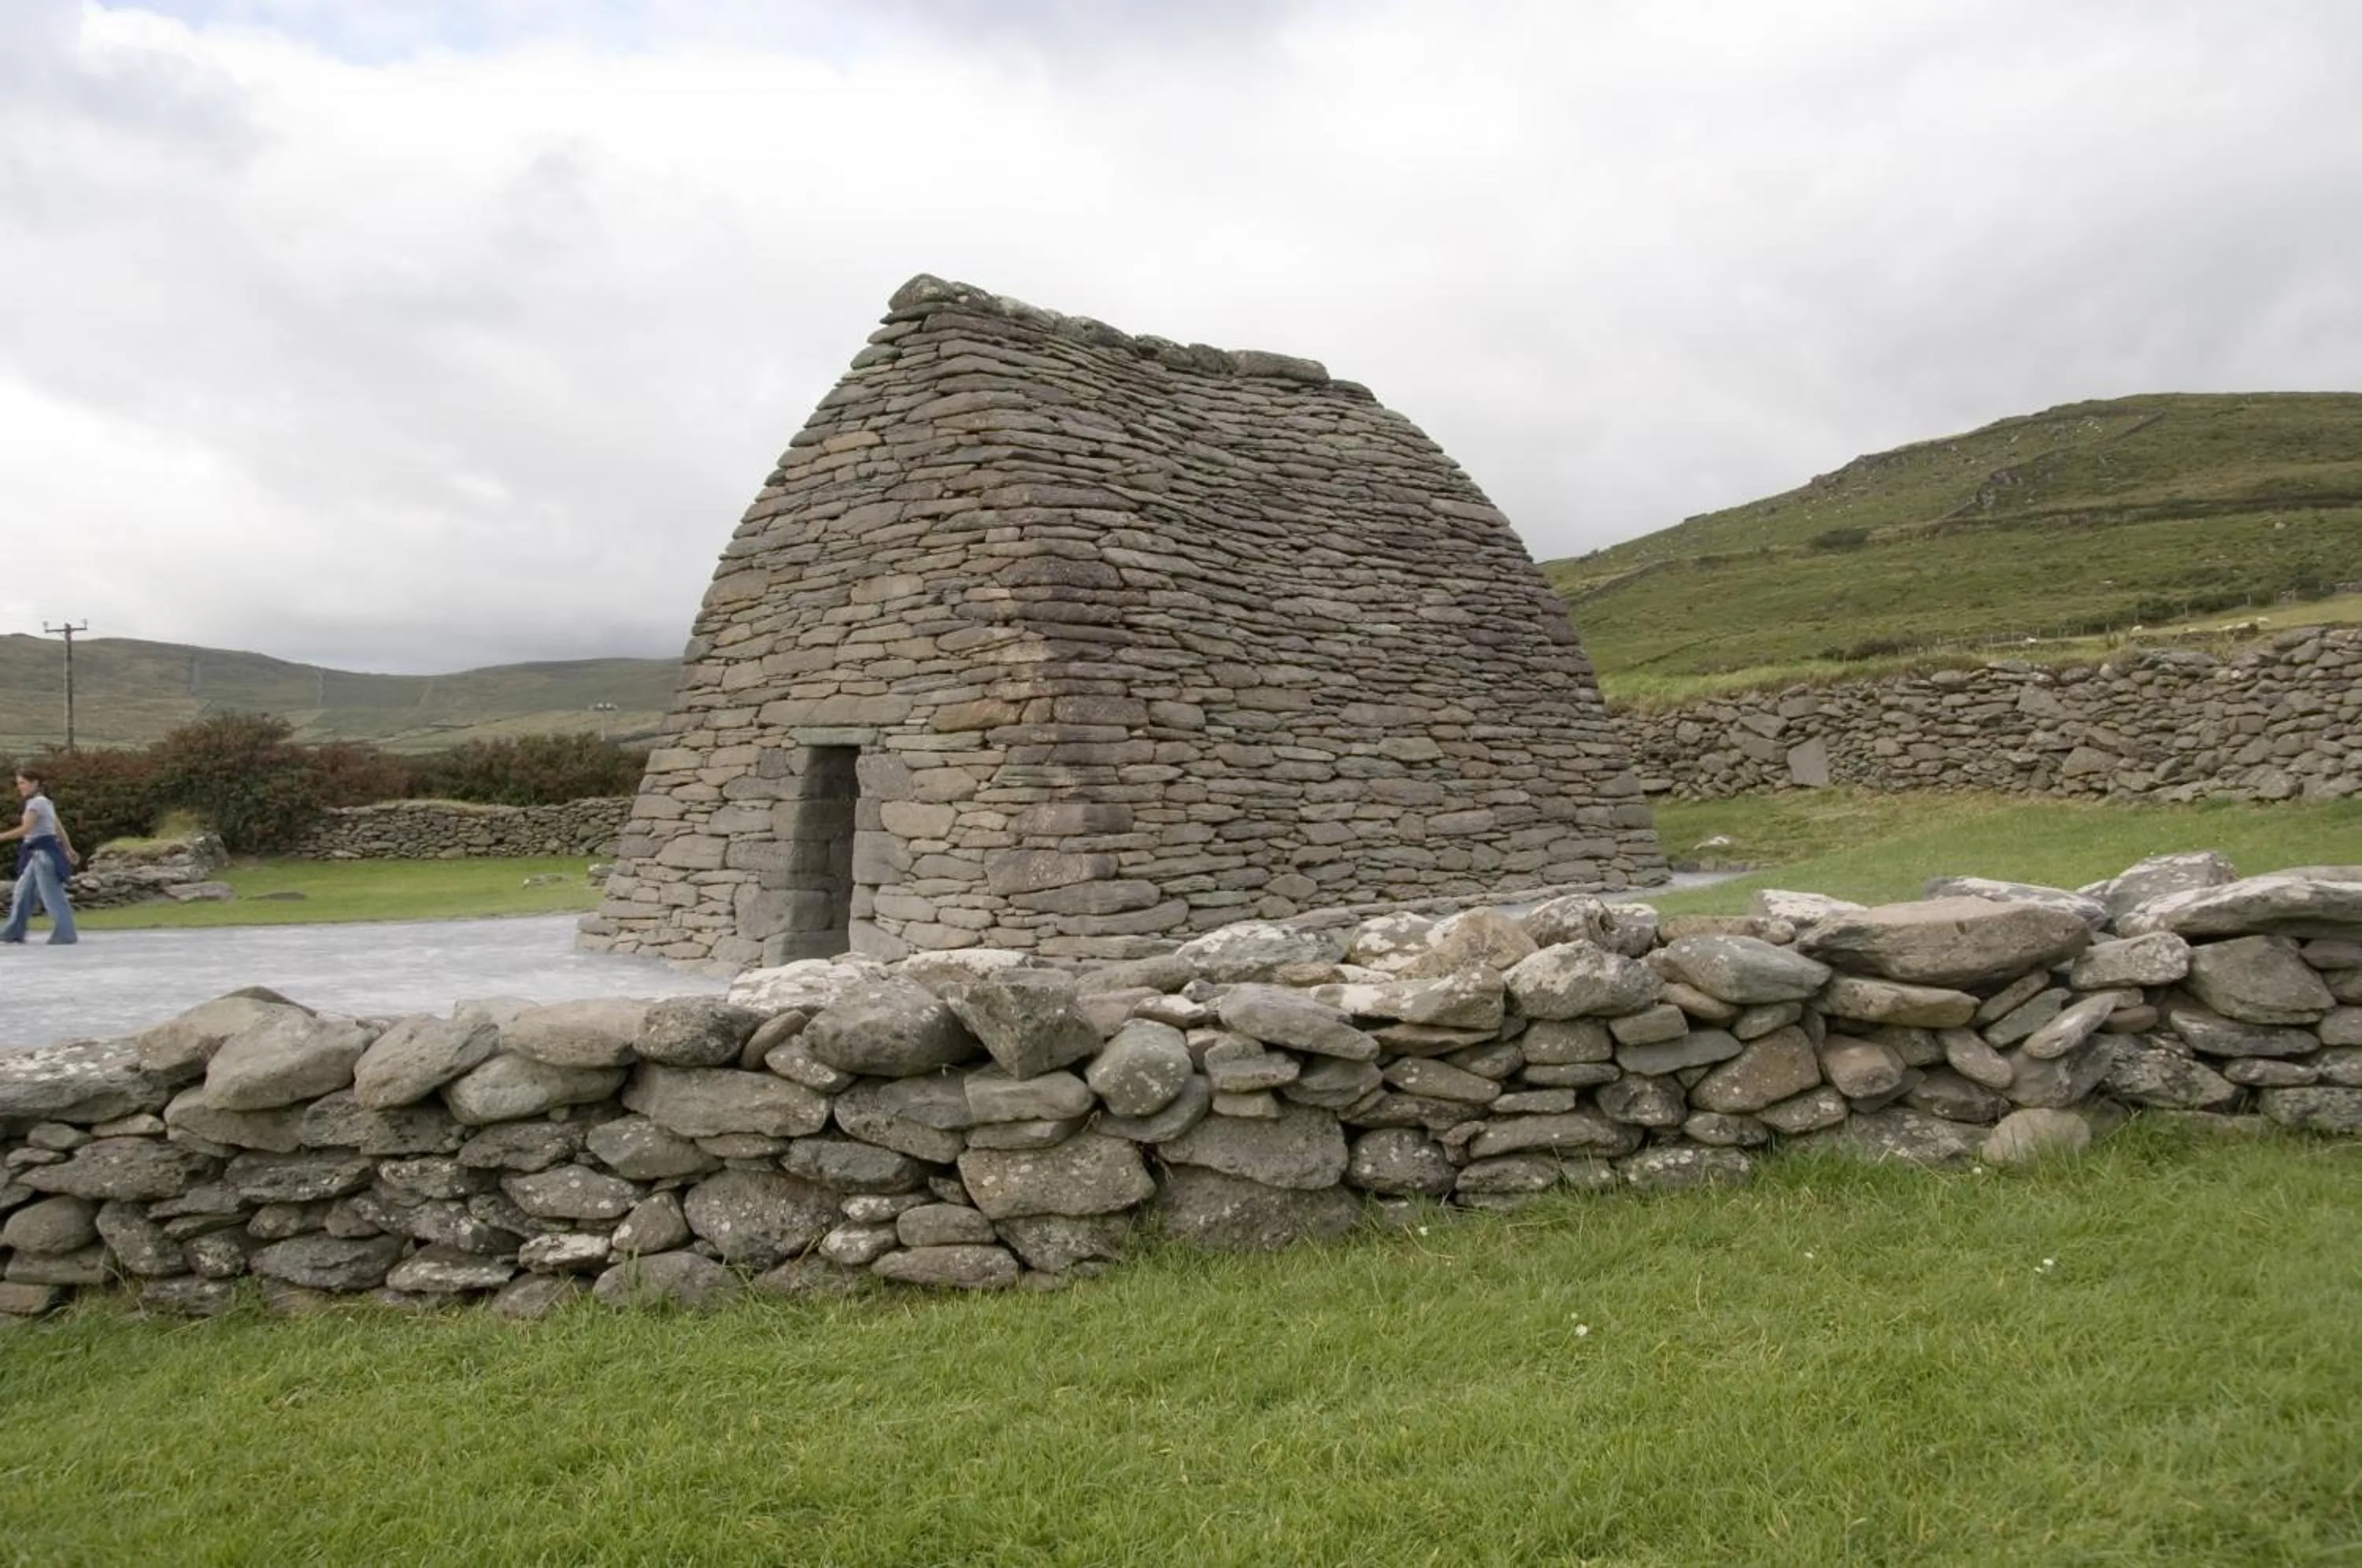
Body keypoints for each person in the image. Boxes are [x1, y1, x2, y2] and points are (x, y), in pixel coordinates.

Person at [0, 768, 80, 945]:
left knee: (52, 896)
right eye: (19, 783)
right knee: (22, 892)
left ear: (35, 783)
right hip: (38, 855)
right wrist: (69, 849)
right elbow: (58, 829)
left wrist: (1, 836)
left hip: (43, 855)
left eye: (23, 783)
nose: (20, 787)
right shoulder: (45, 802)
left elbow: (25, 829)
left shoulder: (36, 804)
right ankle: (13, 931)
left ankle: (65, 934)